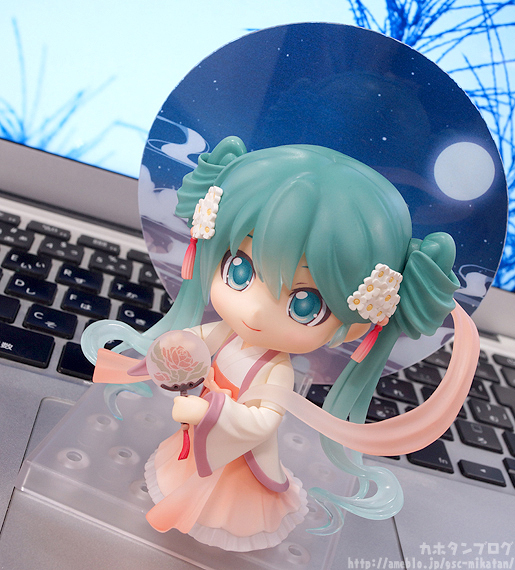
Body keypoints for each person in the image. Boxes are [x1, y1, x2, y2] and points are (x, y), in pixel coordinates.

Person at [81, 136, 478, 551]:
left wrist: (205, 409)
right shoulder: (226, 334)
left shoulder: (275, 371)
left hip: (238, 462)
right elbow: (193, 342)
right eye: (239, 270)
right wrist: (172, 351)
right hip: (202, 441)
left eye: (304, 304)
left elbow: (260, 424)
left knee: (220, 505)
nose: (254, 312)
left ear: (359, 324)